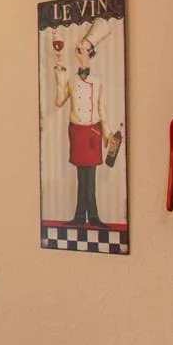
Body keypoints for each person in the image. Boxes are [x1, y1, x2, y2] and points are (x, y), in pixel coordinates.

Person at [51, 26, 119, 227]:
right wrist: (60, 76)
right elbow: (59, 101)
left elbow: (102, 109)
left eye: (82, 49)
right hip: (77, 131)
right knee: (81, 177)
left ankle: (94, 217)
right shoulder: (71, 80)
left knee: (91, 177)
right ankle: (80, 217)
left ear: (90, 52)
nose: (79, 51)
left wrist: (108, 135)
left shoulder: (97, 81)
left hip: (93, 132)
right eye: (78, 49)